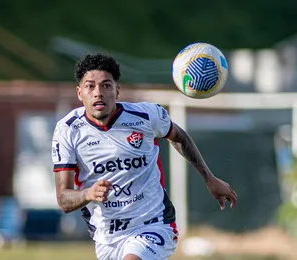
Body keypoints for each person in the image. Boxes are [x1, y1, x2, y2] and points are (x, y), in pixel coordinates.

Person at [51, 53, 237, 260]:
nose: (98, 93)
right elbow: (63, 199)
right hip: (107, 237)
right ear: (79, 93)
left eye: (106, 85)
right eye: (90, 86)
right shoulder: (67, 130)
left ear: (117, 91)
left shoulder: (146, 116)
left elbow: (179, 137)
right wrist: (88, 194)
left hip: (154, 224)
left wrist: (208, 178)